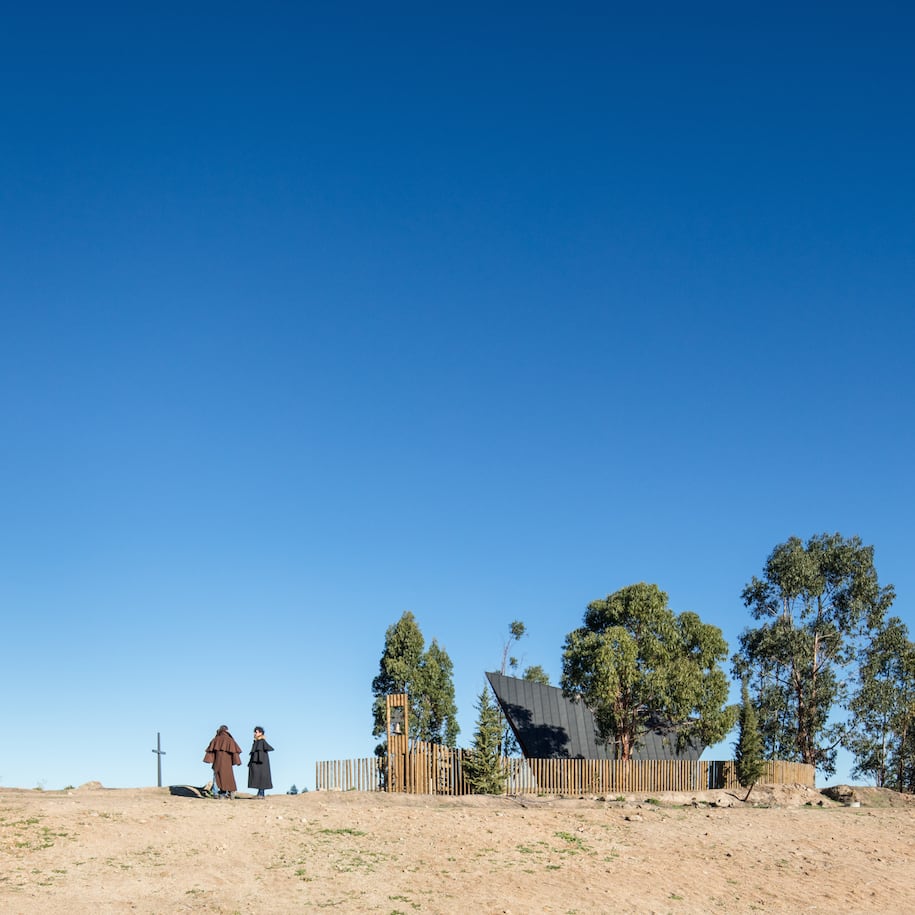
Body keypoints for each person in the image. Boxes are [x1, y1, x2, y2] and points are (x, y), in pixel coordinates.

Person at [203, 725, 242, 798]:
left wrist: (209, 760)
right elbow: (235, 752)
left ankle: (220, 793)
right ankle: (231, 791)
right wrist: (237, 761)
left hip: (217, 763)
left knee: (218, 777)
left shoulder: (216, 739)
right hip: (228, 764)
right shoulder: (230, 740)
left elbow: (211, 751)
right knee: (229, 777)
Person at [247, 726, 274, 799]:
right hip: (259, 764)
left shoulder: (261, 742)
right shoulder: (257, 742)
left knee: (262, 778)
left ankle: (261, 794)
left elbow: (260, 754)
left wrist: (257, 761)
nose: (254, 733)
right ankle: (260, 793)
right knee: (259, 778)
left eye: (256, 732)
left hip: (261, 764)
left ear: (260, 733)